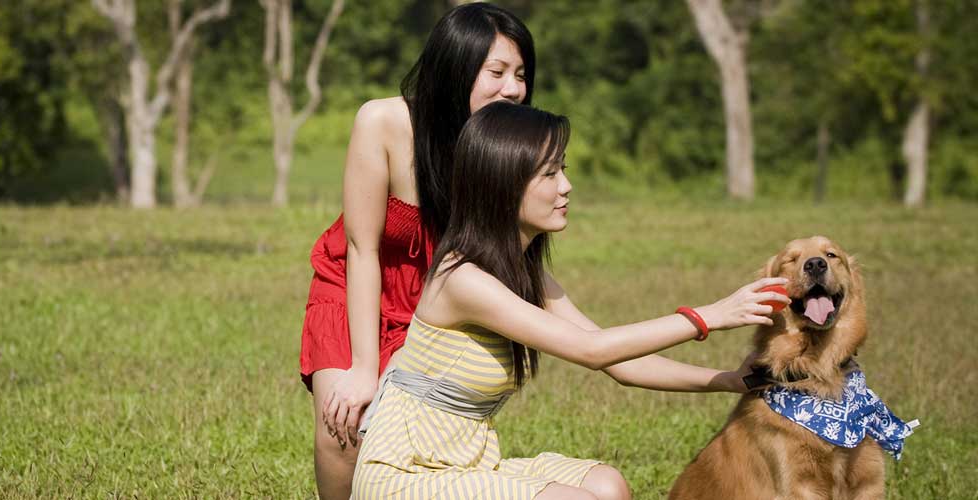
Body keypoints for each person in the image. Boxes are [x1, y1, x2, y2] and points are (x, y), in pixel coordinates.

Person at [351, 102, 790, 500]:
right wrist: (709, 316)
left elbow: (622, 364)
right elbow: (591, 351)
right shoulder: (463, 279)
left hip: (466, 461)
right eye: (549, 174)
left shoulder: (523, 272)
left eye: (563, 169)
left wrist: (729, 380)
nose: (566, 186)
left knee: (607, 486)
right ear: (502, 184)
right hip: (406, 473)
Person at [299, 3, 536, 497]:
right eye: (496, 72)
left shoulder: (502, 147)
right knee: (345, 427)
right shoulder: (383, 121)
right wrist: (364, 368)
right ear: (456, 67)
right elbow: (362, 249)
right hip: (357, 284)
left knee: (419, 446)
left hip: (436, 302)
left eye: (520, 74)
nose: (513, 88)